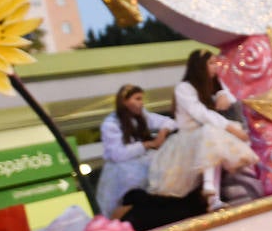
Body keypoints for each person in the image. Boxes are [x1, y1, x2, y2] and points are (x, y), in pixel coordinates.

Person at [146, 50, 258, 211]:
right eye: (211, 63)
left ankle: (215, 195)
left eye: (216, 63)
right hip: (188, 139)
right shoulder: (183, 88)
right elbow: (200, 114)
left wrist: (223, 92)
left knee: (215, 143)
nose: (215, 67)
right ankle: (210, 189)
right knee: (211, 134)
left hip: (205, 135)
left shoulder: (210, 86)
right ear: (199, 66)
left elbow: (235, 98)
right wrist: (230, 128)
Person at [95, 84, 177, 217]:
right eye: (137, 99)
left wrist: (163, 132)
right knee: (120, 211)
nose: (141, 103)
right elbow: (118, 154)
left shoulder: (142, 116)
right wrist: (147, 144)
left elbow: (169, 122)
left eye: (141, 99)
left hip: (143, 170)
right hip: (120, 177)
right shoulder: (110, 124)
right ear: (124, 101)